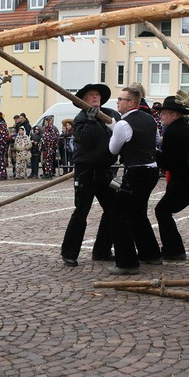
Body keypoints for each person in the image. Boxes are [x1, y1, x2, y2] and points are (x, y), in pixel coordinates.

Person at [60, 83, 120, 266]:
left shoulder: (111, 115)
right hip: (86, 171)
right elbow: (87, 140)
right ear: (84, 100)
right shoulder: (80, 119)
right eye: (91, 95)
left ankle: (102, 250)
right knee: (81, 211)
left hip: (105, 171)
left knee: (113, 209)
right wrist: (93, 121)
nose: (95, 98)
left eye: (97, 95)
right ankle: (69, 253)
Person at [105, 84, 161, 274]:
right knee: (137, 213)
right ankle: (150, 254)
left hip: (136, 172)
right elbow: (156, 141)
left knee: (118, 214)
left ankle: (127, 262)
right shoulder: (150, 119)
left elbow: (113, 150)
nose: (118, 102)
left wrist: (114, 129)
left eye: (121, 99)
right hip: (151, 170)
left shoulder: (123, 124)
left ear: (131, 103)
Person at [154, 95, 189, 261]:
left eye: (163, 113)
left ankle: (173, 249)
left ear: (174, 114)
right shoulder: (186, 129)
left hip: (183, 181)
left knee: (162, 210)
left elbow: (169, 162)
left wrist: (154, 153)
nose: (161, 116)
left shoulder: (174, 132)